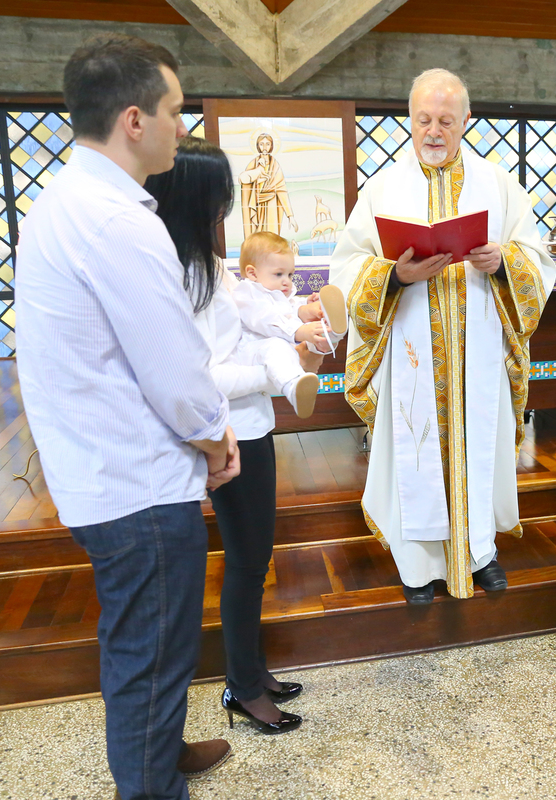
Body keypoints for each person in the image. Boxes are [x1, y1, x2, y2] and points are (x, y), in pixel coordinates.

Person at [15, 35, 238, 800]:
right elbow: (173, 370)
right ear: (135, 120)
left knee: (145, 641)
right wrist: (215, 441)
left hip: (101, 468)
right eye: (178, 110)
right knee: (150, 651)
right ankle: (150, 789)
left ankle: (164, 750)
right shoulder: (118, 222)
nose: (187, 124)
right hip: (136, 484)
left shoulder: (67, 198)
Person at [330, 68, 556, 604]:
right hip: (410, 350)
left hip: (477, 352)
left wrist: (504, 260)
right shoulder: (383, 188)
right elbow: (346, 267)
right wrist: (394, 275)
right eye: (424, 120)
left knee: (477, 449)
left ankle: (480, 555)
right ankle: (419, 569)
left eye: (446, 121)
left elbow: (539, 261)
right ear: (410, 119)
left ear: (466, 121)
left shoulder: (498, 184)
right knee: (417, 452)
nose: (433, 131)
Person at [145, 136, 307, 736]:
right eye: (217, 205)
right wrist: (272, 372)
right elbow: (203, 374)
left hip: (253, 428)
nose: (225, 215)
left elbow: (252, 326)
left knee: (255, 557)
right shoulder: (183, 277)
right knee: (245, 561)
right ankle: (241, 687)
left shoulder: (210, 267)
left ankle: (252, 669)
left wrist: (291, 330)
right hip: (228, 436)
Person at [232, 231, 349, 418]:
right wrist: (299, 330)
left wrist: (309, 308)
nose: (286, 280)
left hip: (282, 347)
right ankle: (295, 389)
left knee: (309, 330)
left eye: (289, 274)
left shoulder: (278, 294)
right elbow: (266, 319)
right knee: (277, 346)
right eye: (279, 274)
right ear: (252, 273)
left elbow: (289, 310)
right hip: (252, 352)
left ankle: (331, 333)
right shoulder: (247, 294)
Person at [240, 132, 297, 239]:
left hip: (271, 204)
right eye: (261, 144)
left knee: (272, 237)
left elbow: (281, 190)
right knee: (257, 237)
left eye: (267, 144)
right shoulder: (253, 163)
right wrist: (257, 173)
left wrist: (290, 216)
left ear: (271, 146)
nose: (264, 147)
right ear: (257, 146)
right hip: (256, 204)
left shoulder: (275, 165)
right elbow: (244, 181)